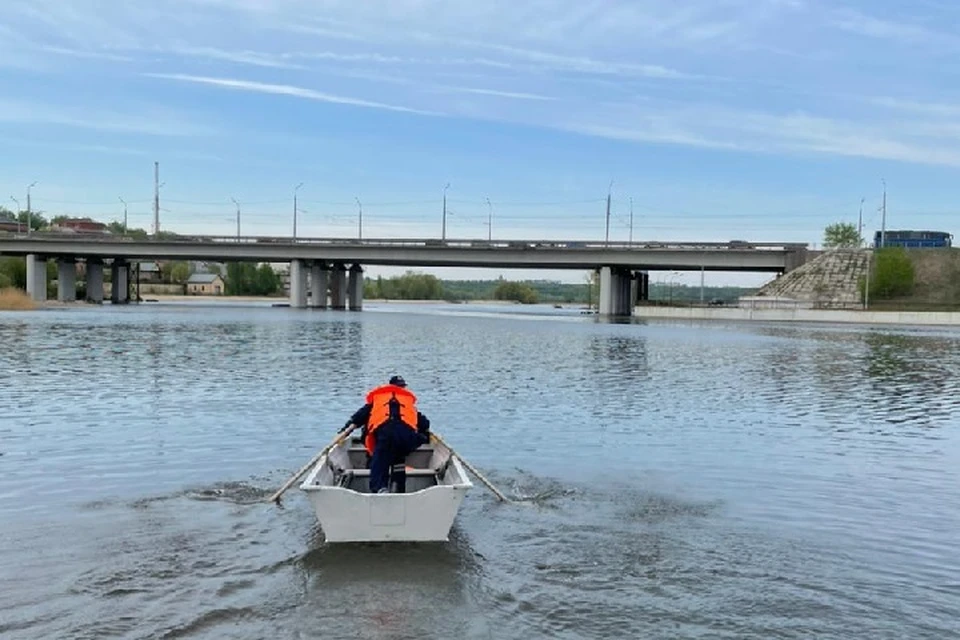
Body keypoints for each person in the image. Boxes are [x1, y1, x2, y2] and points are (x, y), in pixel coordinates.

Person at [342, 375, 431, 494]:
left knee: (379, 459)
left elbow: (358, 418)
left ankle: (380, 488)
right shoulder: (407, 403)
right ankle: (399, 487)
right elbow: (425, 424)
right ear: (403, 388)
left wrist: (346, 429)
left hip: (385, 439)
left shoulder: (377, 401)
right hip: (406, 441)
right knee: (400, 451)